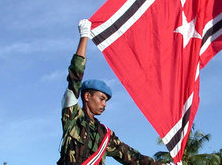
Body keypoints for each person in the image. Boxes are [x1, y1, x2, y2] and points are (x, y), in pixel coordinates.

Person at [57, 19, 166, 165]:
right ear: (87, 96)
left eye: (106, 101)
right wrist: (84, 36)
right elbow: (75, 76)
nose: (104, 104)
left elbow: (133, 157)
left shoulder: (105, 135)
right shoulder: (72, 117)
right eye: (101, 98)